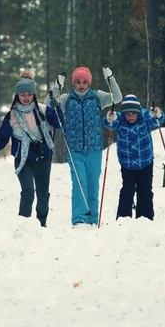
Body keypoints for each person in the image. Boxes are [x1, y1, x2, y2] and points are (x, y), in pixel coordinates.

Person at [0, 71, 62, 227]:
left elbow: (59, 124)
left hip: (43, 156)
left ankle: (41, 223)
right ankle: (23, 225)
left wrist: (57, 108)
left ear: (34, 95)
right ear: (17, 95)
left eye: (29, 94)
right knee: (28, 192)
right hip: (23, 159)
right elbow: (2, 138)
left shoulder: (44, 110)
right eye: (22, 94)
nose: (26, 98)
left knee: (42, 194)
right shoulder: (11, 115)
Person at [46, 66, 122, 225]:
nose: (81, 85)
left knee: (93, 184)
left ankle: (92, 219)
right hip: (75, 150)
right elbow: (48, 105)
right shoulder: (66, 99)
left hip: (94, 149)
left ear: (89, 83)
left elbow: (117, 97)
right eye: (78, 82)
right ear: (73, 83)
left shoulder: (97, 97)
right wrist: (57, 87)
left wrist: (110, 78)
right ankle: (79, 218)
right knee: (80, 183)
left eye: (84, 82)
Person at [104, 94, 165, 220]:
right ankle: (123, 217)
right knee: (127, 190)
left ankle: (145, 217)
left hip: (145, 162)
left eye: (133, 114)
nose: (130, 117)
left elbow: (159, 120)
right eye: (127, 114)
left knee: (145, 190)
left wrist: (158, 114)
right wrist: (110, 118)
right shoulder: (120, 120)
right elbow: (110, 124)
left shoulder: (145, 116)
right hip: (127, 164)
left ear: (138, 112)